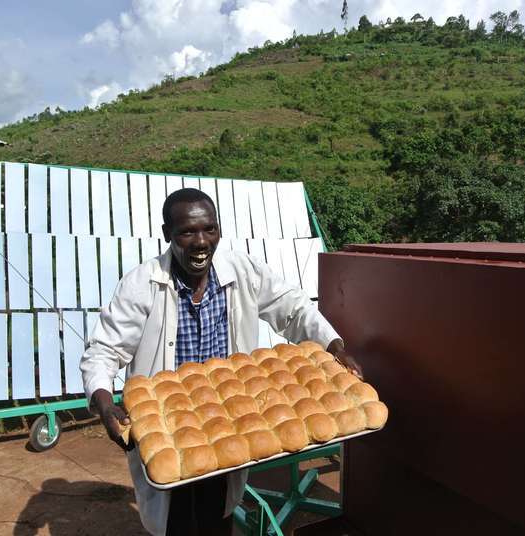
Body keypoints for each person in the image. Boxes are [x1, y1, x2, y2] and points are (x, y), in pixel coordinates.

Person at [81, 188, 361, 536]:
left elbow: (292, 307)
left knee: (220, 510)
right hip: (170, 425)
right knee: (176, 518)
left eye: (209, 229)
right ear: (168, 234)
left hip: (228, 419)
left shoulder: (241, 271)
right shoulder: (142, 284)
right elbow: (104, 350)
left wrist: (332, 344)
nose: (201, 241)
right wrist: (104, 401)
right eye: (187, 232)